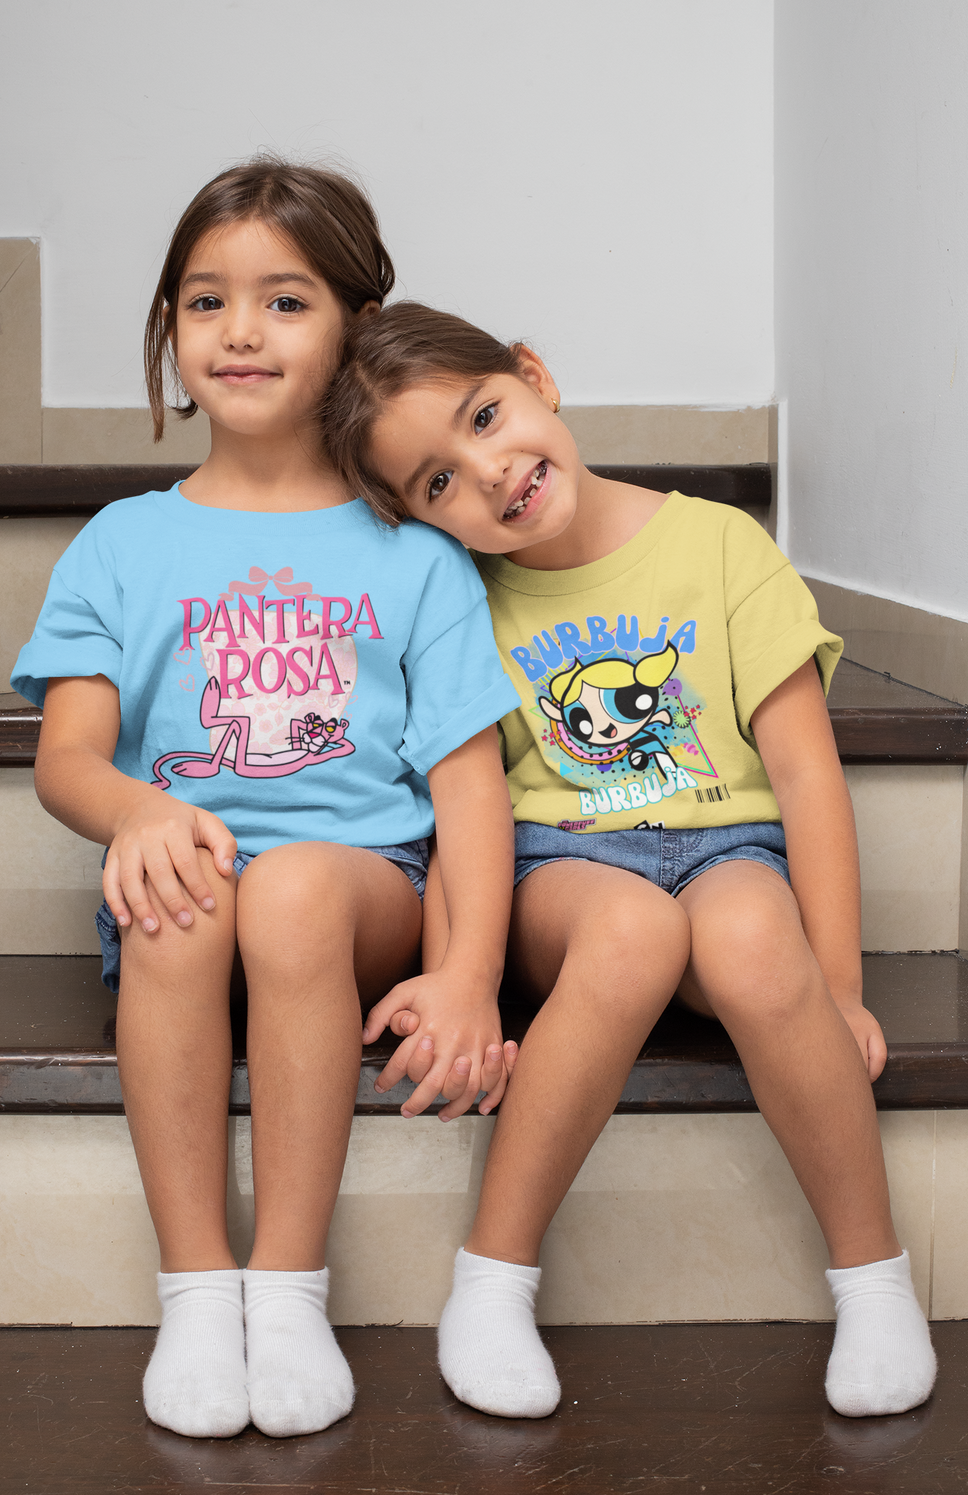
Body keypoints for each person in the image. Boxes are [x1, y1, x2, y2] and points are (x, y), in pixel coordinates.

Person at [321, 301, 938, 1422]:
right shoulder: (463, 598)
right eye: (438, 482)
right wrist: (462, 969)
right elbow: (462, 803)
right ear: (417, 521)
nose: (490, 471)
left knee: (753, 935)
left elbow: (805, 778)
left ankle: (873, 1278)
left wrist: (833, 985)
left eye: (486, 416)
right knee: (631, 929)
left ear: (534, 374)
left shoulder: (717, 543)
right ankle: (493, 1279)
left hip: (728, 844)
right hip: (559, 859)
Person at [11, 167, 520, 1441]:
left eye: (283, 300)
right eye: (205, 300)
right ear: (172, 334)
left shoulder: (416, 552)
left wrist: (468, 973)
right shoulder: (125, 541)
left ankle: (288, 1289)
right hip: (187, 894)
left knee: (291, 886)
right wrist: (139, 812)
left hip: (359, 899)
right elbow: (67, 756)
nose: (238, 330)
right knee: (185, 895)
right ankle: (197, 1288)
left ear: (354, 324)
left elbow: (467, 787)